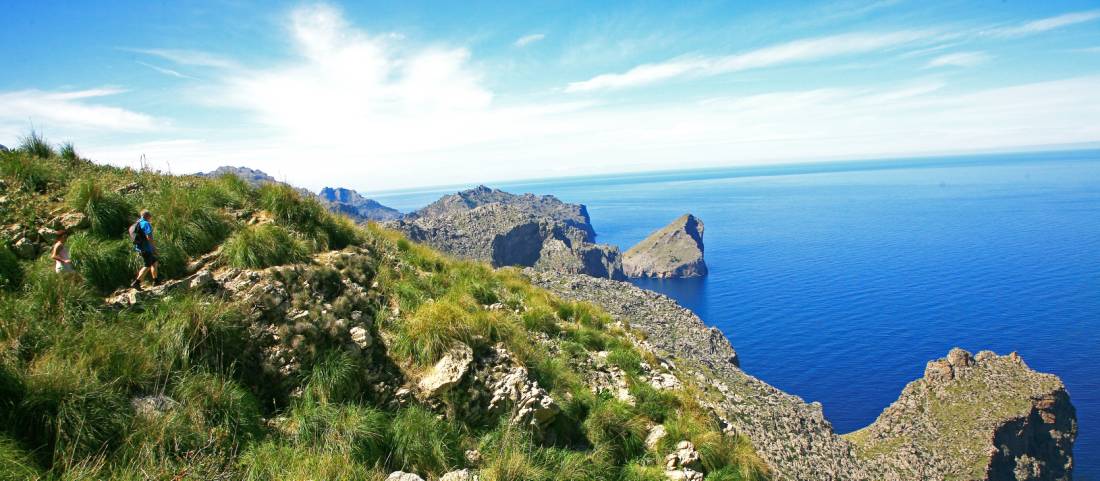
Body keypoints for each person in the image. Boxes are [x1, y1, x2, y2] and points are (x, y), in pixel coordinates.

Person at [130, 210, 159, 289]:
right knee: (148, 265)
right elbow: (149, 237)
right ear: (147, 216)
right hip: (146, 248)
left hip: (140, 248)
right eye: (150, 216)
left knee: (154, 262)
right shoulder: (146, 223)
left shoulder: (137, 223)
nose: (151, 218)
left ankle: (156, 281)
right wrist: (154, 248)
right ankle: (136, 282)